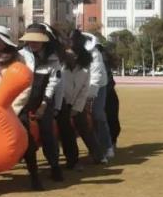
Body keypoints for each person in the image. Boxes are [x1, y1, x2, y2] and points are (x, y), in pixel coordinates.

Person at [0, 25, 43, 191]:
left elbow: (25, 85)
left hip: (13, 106)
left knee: (25, 136)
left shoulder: (18, 58)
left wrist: (13, 109)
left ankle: (34, 176)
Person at [20, 23, 64, 182]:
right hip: (23, 100)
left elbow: (53, 83)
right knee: (22, 132)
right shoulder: (20, 55)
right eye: (30, 39)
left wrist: (44, 105)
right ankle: (31, 168)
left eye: (37, 40)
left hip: (44, 99)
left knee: (47, 133)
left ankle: (55, 166)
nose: (33, 43)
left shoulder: (53, 58)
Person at [57, 30, 104, 167]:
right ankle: (72, 160)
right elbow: (57, 85)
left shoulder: (86, 66)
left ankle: (98, 156)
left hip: (78, 102)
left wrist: (77, 108)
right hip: (61, 101)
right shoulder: (60, 64)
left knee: (85, 128)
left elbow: (85, 88)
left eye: (73, 53)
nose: (70, 54)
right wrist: (63, 105)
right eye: (68, 52)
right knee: (66, 132)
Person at [85, 33, 114, 161]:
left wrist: (90, 98)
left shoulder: (95, 54)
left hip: (99, 85)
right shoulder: (70, 52)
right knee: (84, 118)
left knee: (97, 114)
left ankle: (107, 146)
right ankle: (94, 148)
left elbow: (95, 78)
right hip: (80, 85)